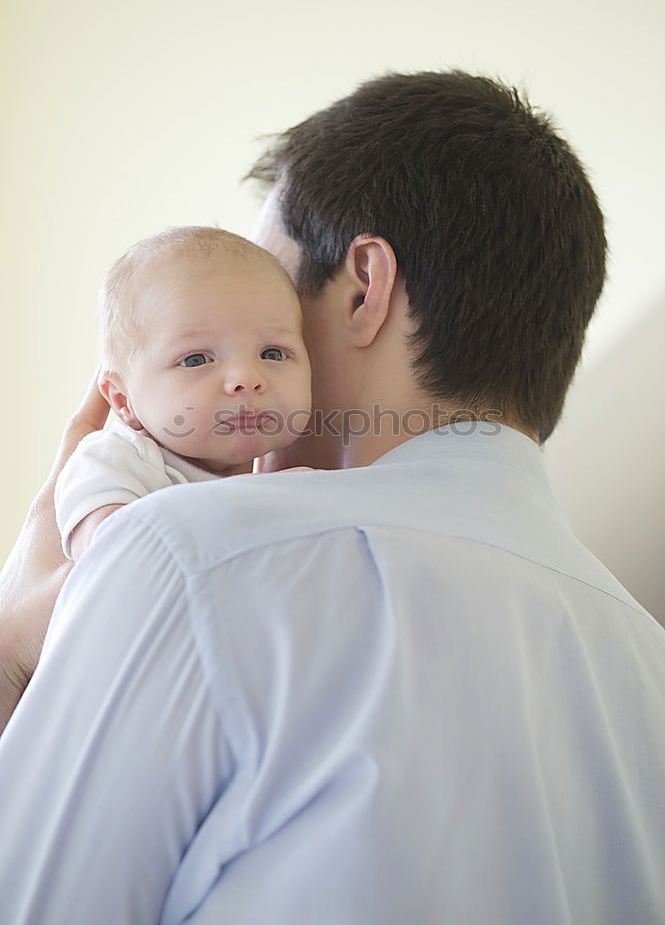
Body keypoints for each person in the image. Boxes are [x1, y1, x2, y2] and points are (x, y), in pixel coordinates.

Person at [1, 70, 664, 924]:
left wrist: (16, 643)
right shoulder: (648, 666)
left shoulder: (190, 554)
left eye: (272, 300)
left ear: (362, 286)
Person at [54, 226, 312, 560]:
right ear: (122, 400)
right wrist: (255, 502)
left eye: (272, 354)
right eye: (196, 360)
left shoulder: (275, 478)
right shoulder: (117, 461)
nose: (247, 379)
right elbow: (113, 558)